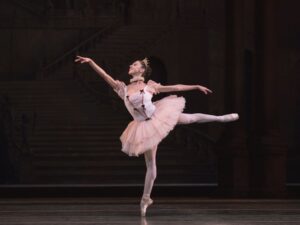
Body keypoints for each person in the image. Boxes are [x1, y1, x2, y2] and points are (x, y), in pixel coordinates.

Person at [75, 55, 239, 216]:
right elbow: (105, 76)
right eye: (131, 64)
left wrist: (195, 86)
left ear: (141, 70)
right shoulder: (123, 88)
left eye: (134, 65)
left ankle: (220, 118)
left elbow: (176, 88)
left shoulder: (150, 86)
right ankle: (145, 199)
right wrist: (91, 62)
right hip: (143, 127)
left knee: (190, 118)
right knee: (151, 165)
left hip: (159, 115)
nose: (130, 66)